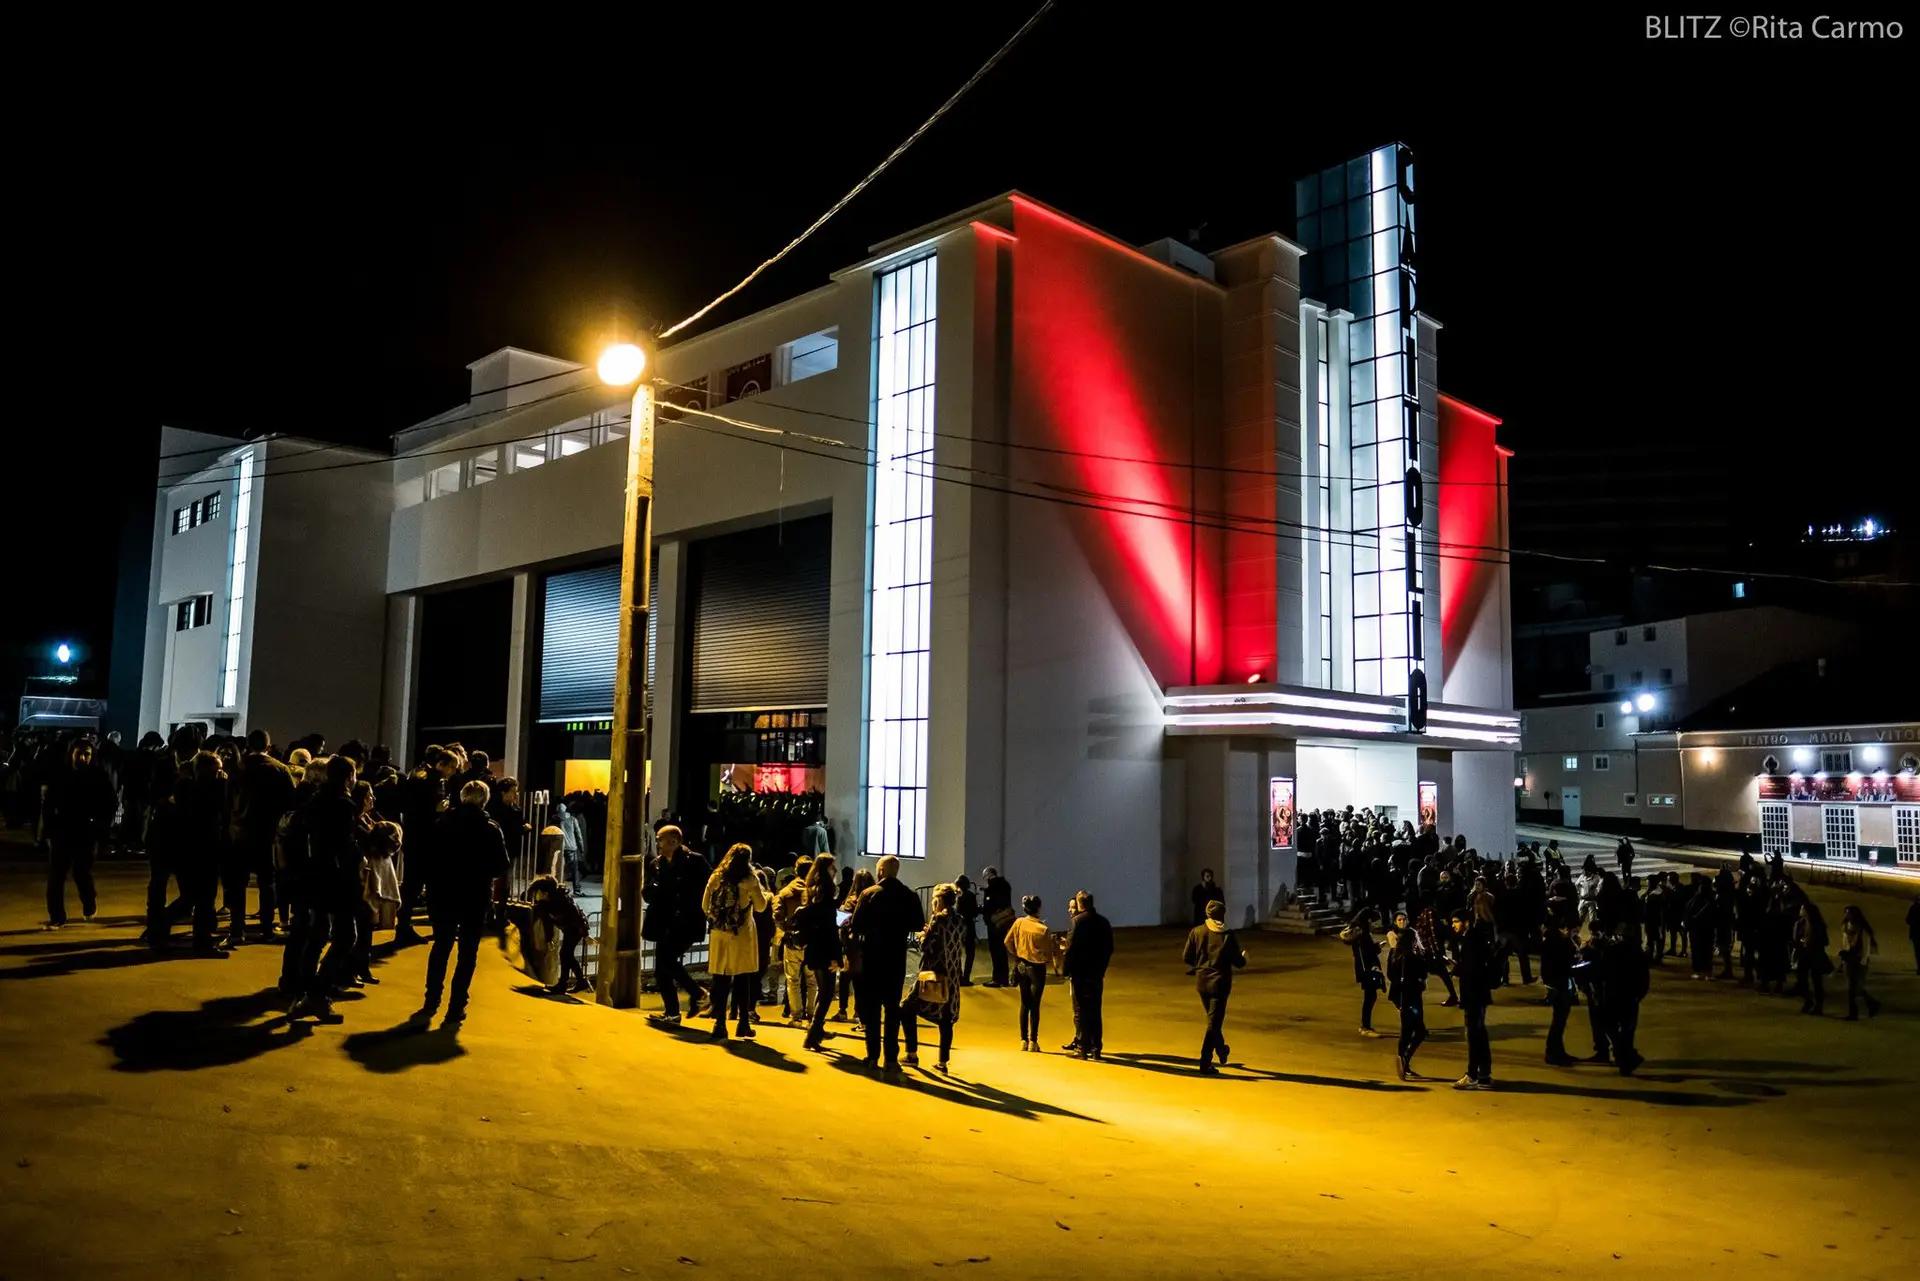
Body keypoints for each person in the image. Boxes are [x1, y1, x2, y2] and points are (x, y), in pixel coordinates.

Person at [417, 779, 509, 1025]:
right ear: (485, 801)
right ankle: (456, 1006)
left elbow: (427, 858)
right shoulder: (491, 829)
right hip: (475, 896)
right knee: (468, 952)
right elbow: (501, 865)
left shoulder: (442, 824)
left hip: (443, 893)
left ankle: (431, 1000)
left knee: (441, 946)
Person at [849, 854, 925, 1070]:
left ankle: (872, 1056)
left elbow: (856, 925)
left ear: (881, 871)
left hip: (872, 957)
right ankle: (891, 1058)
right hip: (896, 958)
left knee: (872, 1008)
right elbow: (918, 924)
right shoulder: (909, 895)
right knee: (892, 1009)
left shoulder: (868, 894)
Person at [39, 738, 115, 928]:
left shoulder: (98, 776)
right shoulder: (60, 774)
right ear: (71, 754)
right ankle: (57, 916)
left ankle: (89, 901)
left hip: (86, 832)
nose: (82, 758)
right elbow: (48, 805)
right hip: (62, 830)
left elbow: (109, 804)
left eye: (87, 754)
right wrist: (47, 831)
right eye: (79, 753)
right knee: (56, 876)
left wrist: (101, 829)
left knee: (82, 873)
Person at [231, 729, 296, 945]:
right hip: (268, 834)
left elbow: (227, 801)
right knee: (267, 883)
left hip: (240, 833)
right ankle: (266, 930)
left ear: (248, 745)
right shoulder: (280, 769)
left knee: (238, 884)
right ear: (268, 746)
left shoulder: (238, 768)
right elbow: (291, 803)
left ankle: (236, 930)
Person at [641, 825, 709, 1024]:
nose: (658, 843)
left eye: (660, 839)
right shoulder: (656, 864)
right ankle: (673, 1012)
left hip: (687, 921)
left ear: (674, 841)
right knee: (661, 969)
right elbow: (648, 891)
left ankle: (698, 994)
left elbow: (708, 887)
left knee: (668, 959)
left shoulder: (695, 861)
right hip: (664, 922)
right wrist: (651, 891)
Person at [702, 843, 769, 1040]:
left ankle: (720, 1024)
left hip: (719, 934)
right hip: (742, 933)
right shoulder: (750, 879)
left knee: (721, 979)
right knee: (742, 978)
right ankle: (743, 1023)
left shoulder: (717, 876)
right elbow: (761, 907)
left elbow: (705, 905)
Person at [907, 883, 968, 1072]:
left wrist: (922, 936)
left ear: (939, 900)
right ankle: (942, 1062)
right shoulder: (960, 920)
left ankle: (911, 1054)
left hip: (933, 975)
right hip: (952, 976)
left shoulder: (938, 919)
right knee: (946, 1019)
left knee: (906, 1008)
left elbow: (927, 947)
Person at [1182, 899, 1247, 1075]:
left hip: (1202, 983)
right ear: (1222, 915)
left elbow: (1186, 957)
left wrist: (1200, 965)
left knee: (1213, 1021)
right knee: (1213, 1023)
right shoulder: (1227, 935)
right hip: (1220, 985)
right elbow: (1238, 962)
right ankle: (1205, 1063)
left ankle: (1221, 1049)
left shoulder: (1197, 932)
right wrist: (1244, 957)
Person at [796, 856, 842, 1050]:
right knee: (827, 993)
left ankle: (817, 1030)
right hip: (826, 948)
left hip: (814, 946)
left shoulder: (811, 890)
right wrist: (837, 956)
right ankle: (813, 1034)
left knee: (823, 990)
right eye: (832, 867)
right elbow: (830, 928)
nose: (835, 871)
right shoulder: (827, 892)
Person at [1061, 890, 1114, 1059]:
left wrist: (1065, 970)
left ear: (1080, 904)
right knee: (1095, 1010)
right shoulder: (1103, 922)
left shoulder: (1077, 922)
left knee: (1080, 1010)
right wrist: (1101, 968)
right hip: (1096, 974)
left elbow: (1070, 949)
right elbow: (1109, 948)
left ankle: (1082, 1048)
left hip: (1080, 973)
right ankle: (1096, 1048)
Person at [1449, 907, 1497, 1090]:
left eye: (1456, 921)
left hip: (1474, 995)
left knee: (1474, 1036)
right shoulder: (1474, 937)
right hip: (1479, 994)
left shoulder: (1470, 940)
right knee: (1480, 1034)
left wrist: (1457, 968)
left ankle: (1473, 1075)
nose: (1453, 925)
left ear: (1466, 922)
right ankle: (1484, 1076)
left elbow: (1472, 969)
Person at [1384, 910, 1428, 1080]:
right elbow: (1423, 972)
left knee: (1407, 1029)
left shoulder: (1394, 953)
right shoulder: (1413, 957)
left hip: (1400, 997)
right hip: (1412, 996)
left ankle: (1403, 1061)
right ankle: (1404, 1058)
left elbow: (1390, 974)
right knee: (1418, 1031)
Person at [1006, 895, 1053, 1052]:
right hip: (1037, 969)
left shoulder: (1019, 922)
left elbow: (1007, 941)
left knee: (1024, 1003)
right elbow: (1048, 954)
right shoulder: (1043, 929)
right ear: (1038, 908)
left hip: (1021, 965)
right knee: (1035, 1005)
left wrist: (1017, 954)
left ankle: (1023, 1040)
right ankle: (1033, 1040)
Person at [773, 854, 816, 1026]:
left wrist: (786, 928)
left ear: (796, 870)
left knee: (793, 980)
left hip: (792, 941)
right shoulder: (816, 891)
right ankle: (811, 1015)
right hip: (812, 941)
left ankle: (796, 1016)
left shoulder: (785, 892)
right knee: (812, 981)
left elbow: (777, 915)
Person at [1539, 918, 1578, 1066]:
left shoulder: (1550, 941)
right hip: (1560, 983)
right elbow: (1566, 964)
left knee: (1559, 1020)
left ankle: (1557, 1051)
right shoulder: (1560, 942)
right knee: (1559, 1021)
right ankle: (1553, 1052)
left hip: (1556, 983)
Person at [1342, 907, 1384, 1037]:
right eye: (1375, 922)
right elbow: (1364, 954)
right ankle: (1365, 1027)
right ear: (1369, 920)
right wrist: (1370, 969)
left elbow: (1367, 951)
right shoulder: (1361, 934)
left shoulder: (1362, 933)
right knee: (1370, 997)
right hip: (1367, 970)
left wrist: (1376, 947)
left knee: (1370, 997)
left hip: (1366, 969)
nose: (1376, 925)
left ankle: (1365, 1025)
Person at [1837, 905, 1881, 1021]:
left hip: (1858, 959)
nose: (1847, 915)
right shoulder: (1845, 926)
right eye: (1846, 912)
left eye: (1849, 913)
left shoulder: (1861, 929)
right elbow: (1845, 943)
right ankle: (1871, 1005)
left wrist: (1863, 961)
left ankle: (1855, 1012)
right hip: (1849, 958)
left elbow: (1866, 947)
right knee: (1853, 988)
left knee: (1854, 988)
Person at [1794, 899, 1831, 1016]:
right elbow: (1795, 939)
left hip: (1815, 955)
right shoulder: (1800, 923)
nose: (1800, 910)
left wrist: (1812, 942)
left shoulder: (1818, 925)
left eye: (1802, 909)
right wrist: (1801, 942)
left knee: (1817, 981)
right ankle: (1808, 1000)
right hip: (1804, 955)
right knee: (1801, 979)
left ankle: (1818, 1006)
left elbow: (1825, 941)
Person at [981, 866, 1013, 987]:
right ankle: (1004, 978)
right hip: (1004, 921)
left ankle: (997, 978)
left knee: (995, 951)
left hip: (994, 922)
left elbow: (990, 906)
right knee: (1002, 950)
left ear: (988, 875)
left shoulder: (992, 888)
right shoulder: (1006, 885)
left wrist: (983, 910)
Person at [954, 875, 981, 984]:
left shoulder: (959, 897)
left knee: (958, 952)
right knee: (970, 953)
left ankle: (959, 975)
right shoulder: (971, 895)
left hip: (960, 927)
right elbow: (975, 912)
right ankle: (966, 977)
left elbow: (958, 912)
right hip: (970, 926)